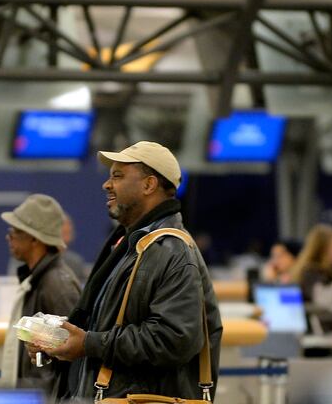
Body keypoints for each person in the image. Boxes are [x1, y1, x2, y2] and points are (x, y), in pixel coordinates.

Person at [33, 141, 223, 401]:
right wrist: (61, 342)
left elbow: (175, 340)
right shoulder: (131, 245)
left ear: (149, 185)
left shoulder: (171, 250)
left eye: (118, 176)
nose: (106, 185)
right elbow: (110, 325)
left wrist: (89, 343)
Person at [0, 194, 81, 394]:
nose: (8, 237)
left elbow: (72, 360)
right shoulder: (38, 280)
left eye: (15, 231)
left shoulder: (57, 286)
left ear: (34, 238)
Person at [59, 212, 90, 284]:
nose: (68, 227)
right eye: (63, 225)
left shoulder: (75, 261)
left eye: (69, 224)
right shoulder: (46, 260)